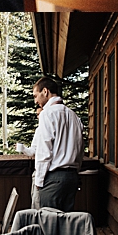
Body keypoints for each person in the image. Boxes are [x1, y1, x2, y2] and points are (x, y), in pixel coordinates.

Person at [30, 76, 84, 212]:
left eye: (36, 96)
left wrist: (39, 181)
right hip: (71, 178)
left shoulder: (47, 114)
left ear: (45, 92)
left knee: (49, 225)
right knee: (66, 224)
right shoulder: (73, 116)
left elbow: (44, 151)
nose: (35, 101)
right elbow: (80, 148)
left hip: (53, 179)